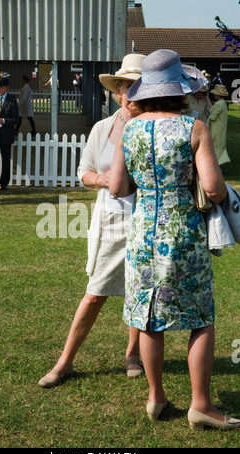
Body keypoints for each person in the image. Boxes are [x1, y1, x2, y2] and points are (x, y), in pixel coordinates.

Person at [109, 49, 240, 431]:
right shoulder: (193, 128)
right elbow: (214, 189)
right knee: (200, 317)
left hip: (142, 235)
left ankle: (156, 398)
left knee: (150, 320)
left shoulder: (129, 128)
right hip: (182, 233)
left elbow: (118, 186)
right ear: (179, 89)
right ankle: (201, 405)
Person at [38, 54, 146, 389]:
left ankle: (133, 354)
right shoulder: (102, 128)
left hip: (146, 219)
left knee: (140, 291)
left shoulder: (154, 128)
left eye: (140, 86)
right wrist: (103, 179)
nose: (133, 92)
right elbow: (83, 172)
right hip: (111, 219)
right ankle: (64, 362)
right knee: (95, 293)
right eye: (128, 85)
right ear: (118, 90)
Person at [208, 84, 231, 166]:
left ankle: (216, 165)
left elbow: (213, 117)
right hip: (220, 128)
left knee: (216, 147)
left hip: (216, 129)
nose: (214, 94)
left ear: (218, 94)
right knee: (219, 147)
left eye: (215, 93)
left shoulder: (219, 104)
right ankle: (218, 164)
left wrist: (206, 115)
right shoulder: (223, 103)